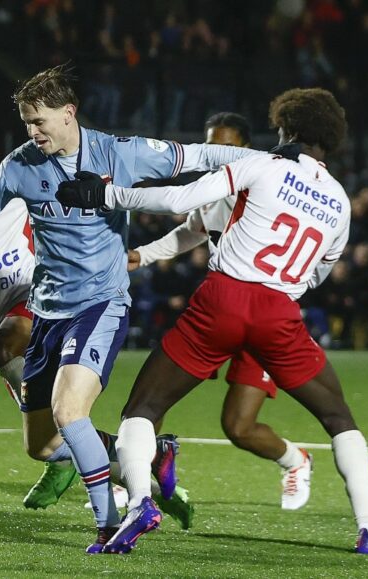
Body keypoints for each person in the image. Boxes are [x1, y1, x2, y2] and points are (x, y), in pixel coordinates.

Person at [0, 64, 255, 551]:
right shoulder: (20, 166)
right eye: (26, 123)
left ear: (68, 114)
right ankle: (148, 457)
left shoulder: (118, 153)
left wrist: (271, 161)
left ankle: (111, 521)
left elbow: (197, 155)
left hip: (99, 304)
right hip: (49, 309)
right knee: (43, 444)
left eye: (39, 122)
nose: (32, 132)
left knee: (69, 411)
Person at [57, 88, 368, 555]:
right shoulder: (340, 201)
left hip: (222, 300)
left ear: (286, 129)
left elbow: (180, 198)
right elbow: (321, 270)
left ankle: (141, 504)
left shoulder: (263, 164)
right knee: (338, 418)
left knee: (143, 409)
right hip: (280, 312)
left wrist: (106, 193)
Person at [0, 116, 195, 526]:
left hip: (40, 296)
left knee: (8, 345)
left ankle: (113, 510)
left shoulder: (7, 176)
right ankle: (144, 467)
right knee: (45, 442)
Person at [126, 112, 313, 511]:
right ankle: (135, 481)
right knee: (149, 402)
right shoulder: (214, 193)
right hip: (219, 312)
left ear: (246, 148)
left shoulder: (274, 188)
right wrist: (142, 255)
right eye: (212, 145)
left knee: (239, 427)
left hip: (263, 318)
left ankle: (296, 460)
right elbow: (190, 231)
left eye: (227, 145)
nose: (218, 154)